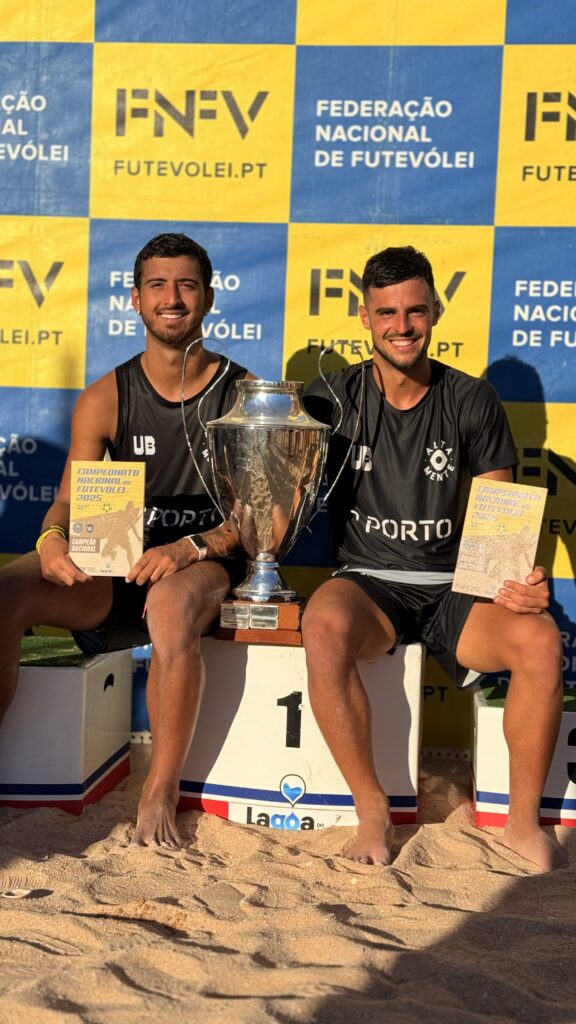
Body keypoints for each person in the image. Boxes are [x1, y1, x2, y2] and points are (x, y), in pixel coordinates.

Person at [302, 245, 566, 873]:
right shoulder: (329, 398)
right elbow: (286, 502)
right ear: (364, 317)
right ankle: (373, 810)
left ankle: (521, 823)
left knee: (540, 641)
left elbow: (498, 522)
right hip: (368, 583)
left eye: (415, 311)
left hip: (456, 587)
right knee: (323, 626)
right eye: (386, 312)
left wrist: (519, 582)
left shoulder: (472, 399)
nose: (402, 326)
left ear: (436, 312)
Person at [0, 232, 252, 848]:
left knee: (169, 603)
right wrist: (53, 539)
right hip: (118, 558)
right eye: (158, 286)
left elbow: (258, 520)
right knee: (6, 592)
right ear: (136, 300)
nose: (173, 298)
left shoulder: (244, 394)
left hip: (205, 561)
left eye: (187, 285)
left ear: (209, 298)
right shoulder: (105, 396)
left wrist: (188, 549)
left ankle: (159, 789)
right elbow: (67, 500)